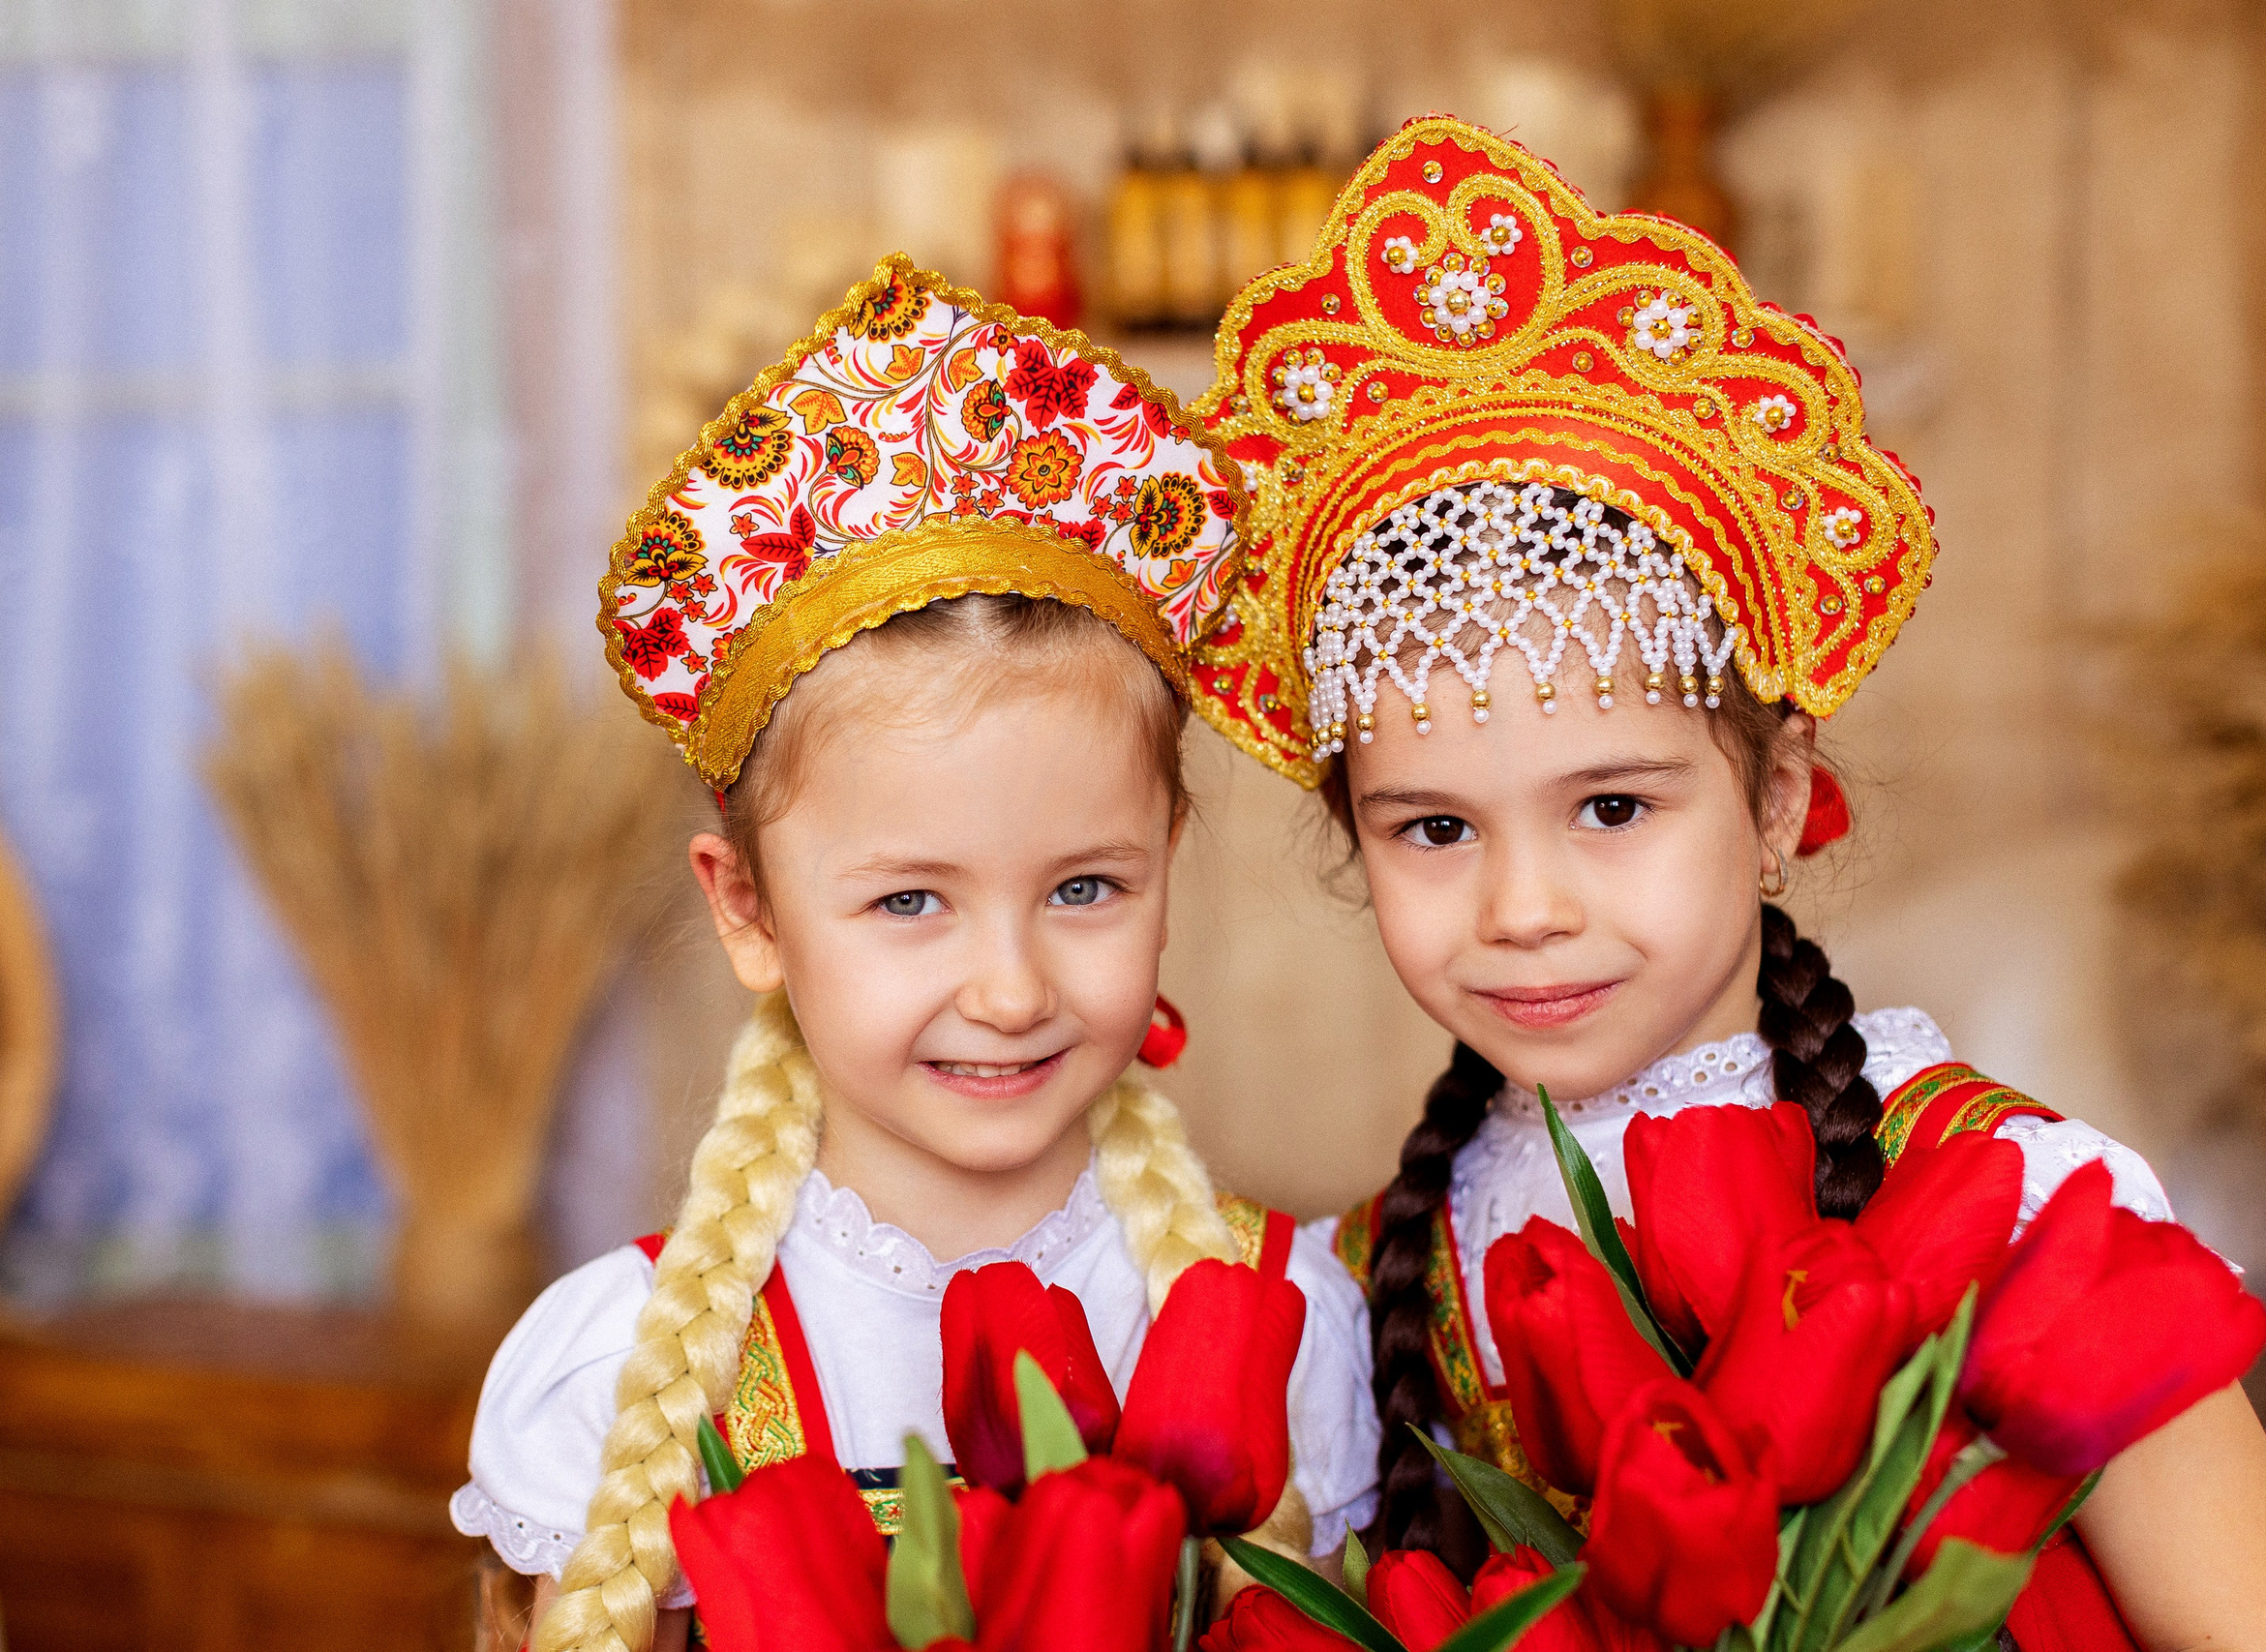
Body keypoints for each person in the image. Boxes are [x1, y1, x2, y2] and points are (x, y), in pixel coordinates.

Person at [1189, 115, 2266, 1647]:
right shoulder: (1375, 1286)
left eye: (1614, 806)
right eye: (1434, 829)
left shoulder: (2000, 1201)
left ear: (1774, 799)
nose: (1524, 906)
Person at [451, 256, 1380, 1652]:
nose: (1008, 990)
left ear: (1169, 868)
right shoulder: (625, 1363)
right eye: (908, 904)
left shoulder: (1286, 1318)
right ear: (746, 911)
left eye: (1083, 888)